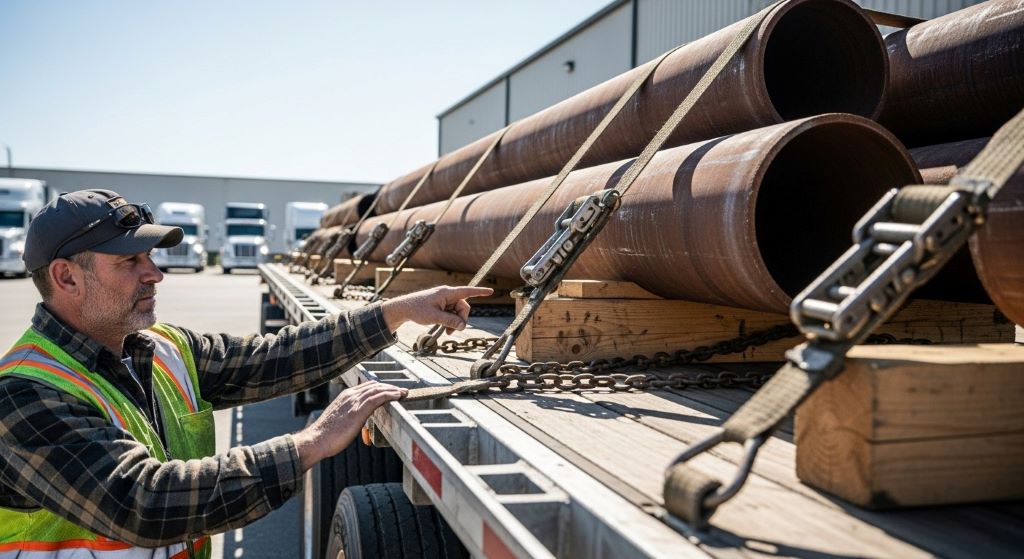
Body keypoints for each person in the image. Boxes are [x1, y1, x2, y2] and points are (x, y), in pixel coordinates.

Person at [0, 189, 492, 558]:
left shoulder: (163, 350)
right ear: (66, 277)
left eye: (150, 257)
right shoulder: (24, 393)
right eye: (130, 260)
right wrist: (310, 442)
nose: (154, 273)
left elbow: (276, 357)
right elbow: (143, 502)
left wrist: (396, 312)